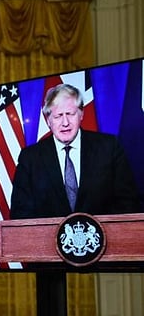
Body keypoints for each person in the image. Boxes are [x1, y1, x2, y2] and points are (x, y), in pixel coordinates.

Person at [10, 83, 142, 219]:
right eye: (58, 116)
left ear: (81, 115)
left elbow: (128, 204)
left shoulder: (109, 147)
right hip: (47, 240)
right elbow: (20, 214)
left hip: (104, 238)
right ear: (48, 120)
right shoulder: (30, 158)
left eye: (70, 114)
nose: (65, 122)